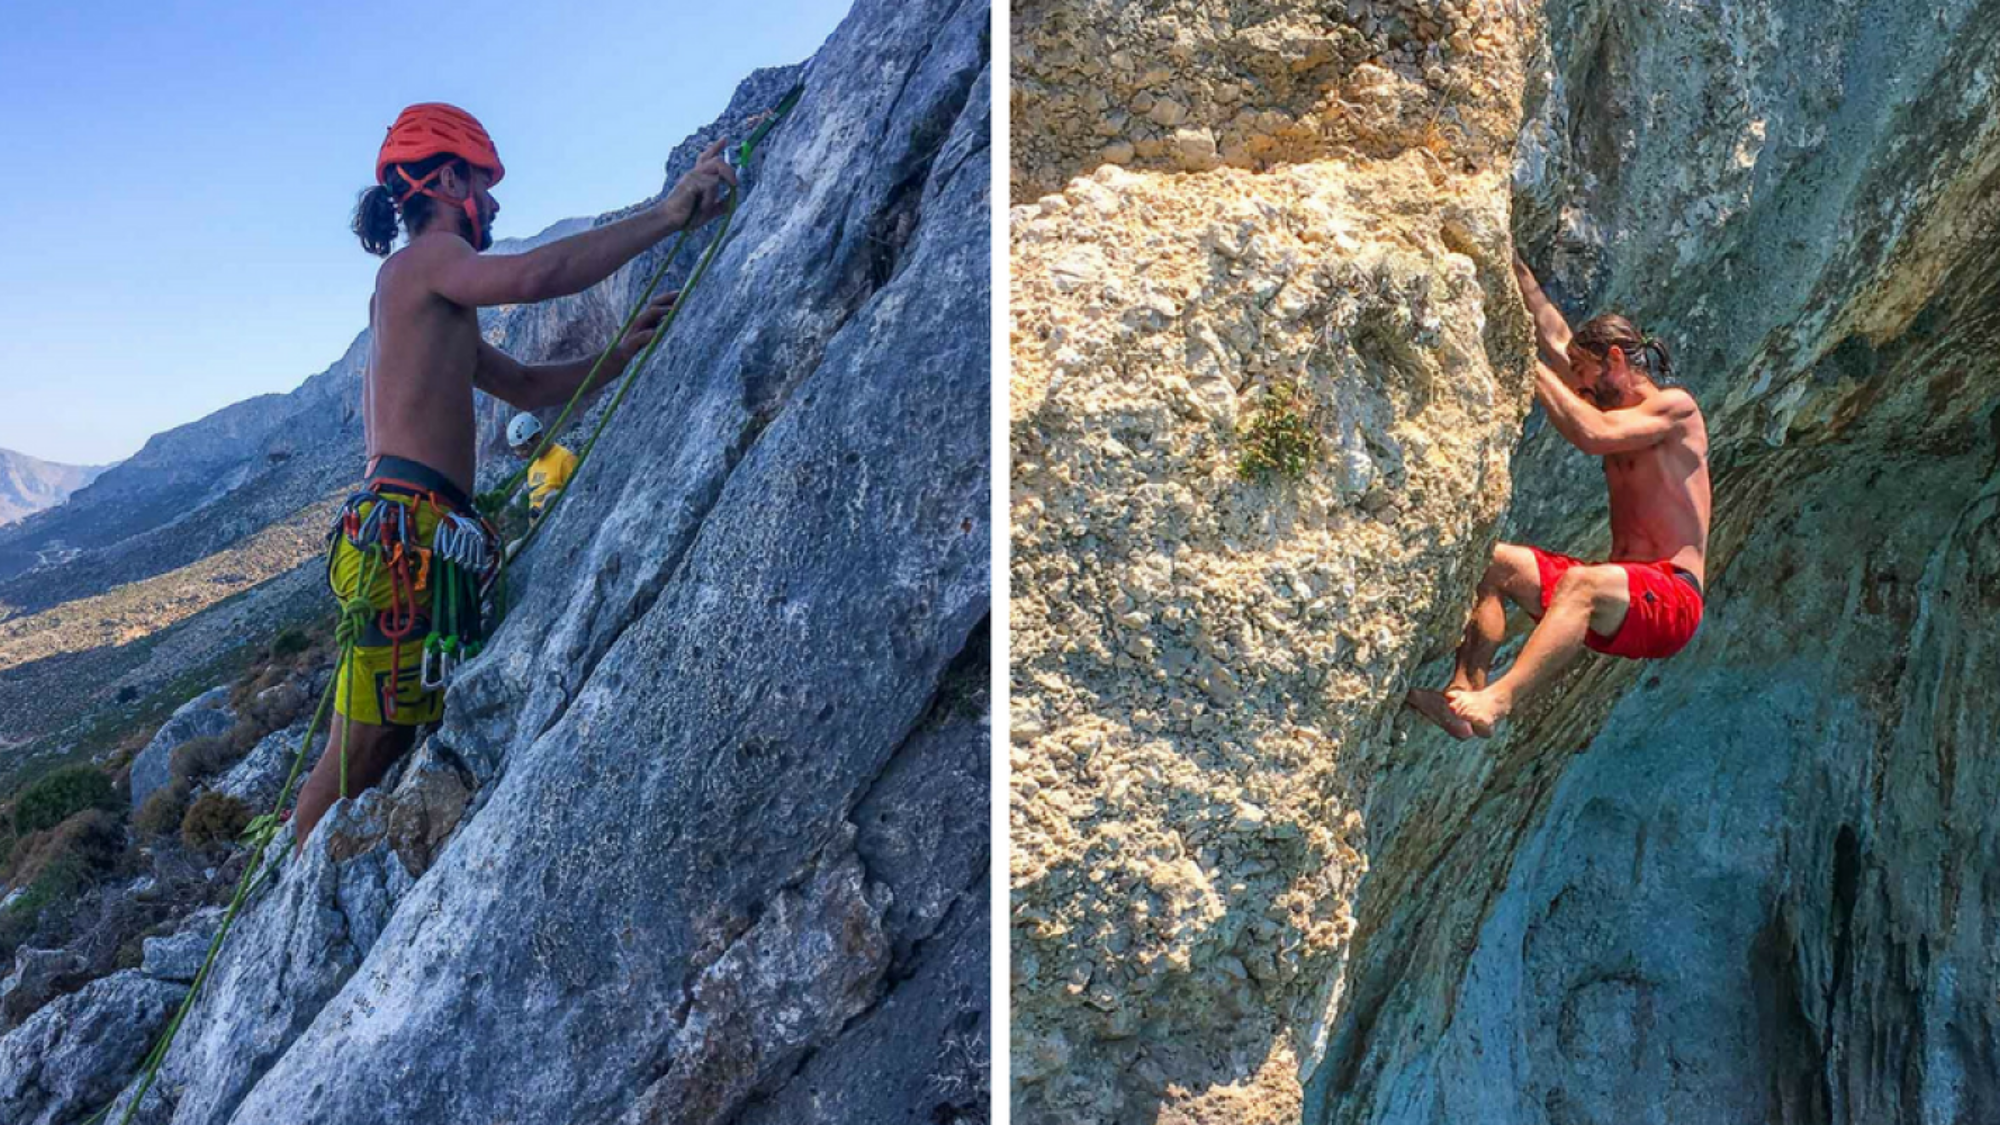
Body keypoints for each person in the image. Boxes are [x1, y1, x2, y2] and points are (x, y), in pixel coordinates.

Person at [293, 102, 736, 848]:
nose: (494, 203)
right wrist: (668, 215)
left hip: (411, 534)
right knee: (361, 750)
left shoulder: (428, 297)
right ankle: (302, 872)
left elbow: (526, 385)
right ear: (446, 181)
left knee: (379, 738)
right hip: (407, 537)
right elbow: (535, 276)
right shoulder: (424, 260)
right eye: (483, 184)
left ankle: (314, 865)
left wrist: (616, 357)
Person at [1406, 255, 1712, 740]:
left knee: (1580, 584)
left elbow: (1592, 433)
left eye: (1584, 372)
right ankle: (1462, 693)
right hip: (1621, 597)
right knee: (1489, 562)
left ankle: (1497, 702)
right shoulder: (1603, 397)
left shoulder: (1675, 409)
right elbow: (1552, 331)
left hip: (1671, 601)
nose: (1579, 385)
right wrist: (1505, 257)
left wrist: (1521, 356)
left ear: (1616, 360)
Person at [507, 412, 579, 521]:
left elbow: (577, 492)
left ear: (535, 438)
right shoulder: (533, 466)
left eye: (523, 449)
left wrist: (553, 498)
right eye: (517, 450)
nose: (521, 455)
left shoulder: (565, 459)